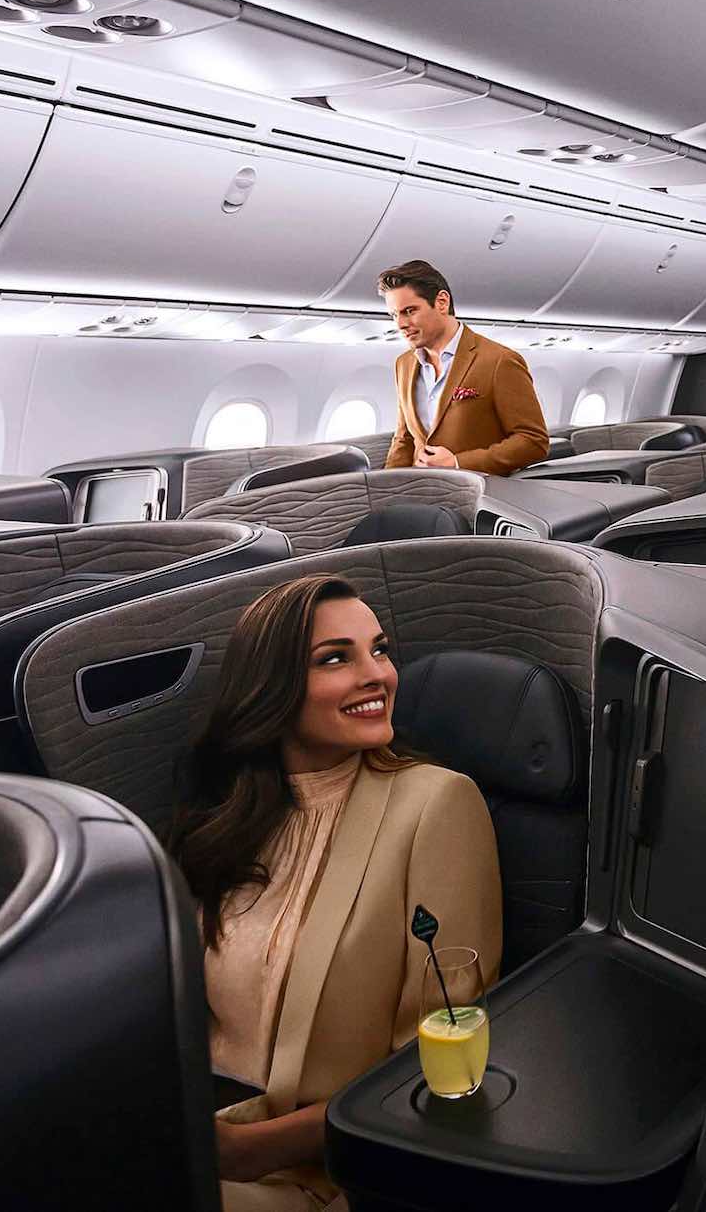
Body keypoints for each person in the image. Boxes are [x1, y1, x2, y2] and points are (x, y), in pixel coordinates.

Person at [168, 574, 503, 1210]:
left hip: (322, 1175)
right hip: (200, 1135)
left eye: (379, 650)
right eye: (335, 659)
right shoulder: (229, 817)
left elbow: (440, 1068)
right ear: (271, 690)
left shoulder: (436, 805)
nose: (376, 674)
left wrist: (248, 1150)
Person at [379, 259, 549, 474]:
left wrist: (458, 462)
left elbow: (533, 441)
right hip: (423, 493)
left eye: (410, 311)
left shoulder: (499, 361)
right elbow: (404, 438)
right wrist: (385, 490)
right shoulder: (404, 364)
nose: (400, 324)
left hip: (480, 495)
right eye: (394, 315)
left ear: (441, 302)